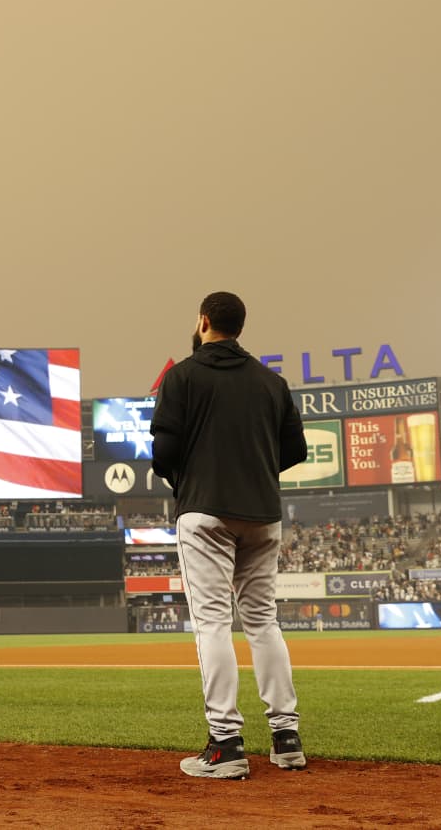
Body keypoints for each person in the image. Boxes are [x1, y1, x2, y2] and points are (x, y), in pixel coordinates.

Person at [150, 291, 308, 780]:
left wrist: (193, 477)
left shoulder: (181, 376)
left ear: (203, 322)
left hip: (205, 511)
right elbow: (296, 450)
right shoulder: (271, 381)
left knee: (213, 623)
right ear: (240, 327)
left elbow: (163, 453)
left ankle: (226, 744)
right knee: (263, 621)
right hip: (262, 512)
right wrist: (255, 471)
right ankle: (287, 739)